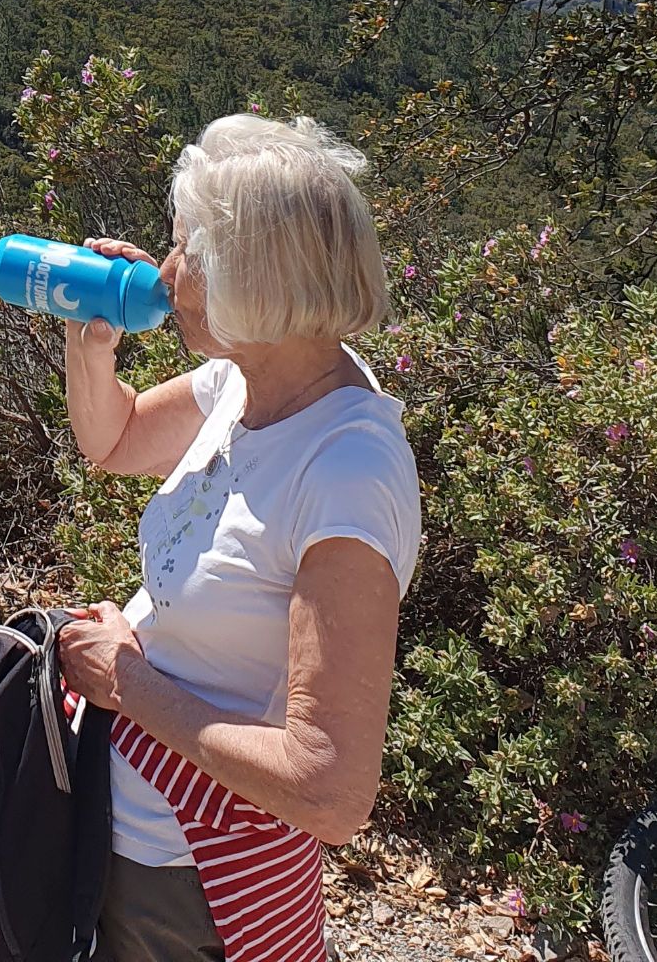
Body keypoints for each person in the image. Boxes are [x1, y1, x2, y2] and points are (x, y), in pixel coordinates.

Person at [55, 114, 422, 962]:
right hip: (125, 819)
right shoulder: (247, 381)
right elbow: (114, 440)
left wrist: (126, 682)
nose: (165, 271)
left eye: (186, 250)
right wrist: (92, 338)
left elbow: (330, 792)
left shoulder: (346, 476)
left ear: (254, 280)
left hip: (195, 869)